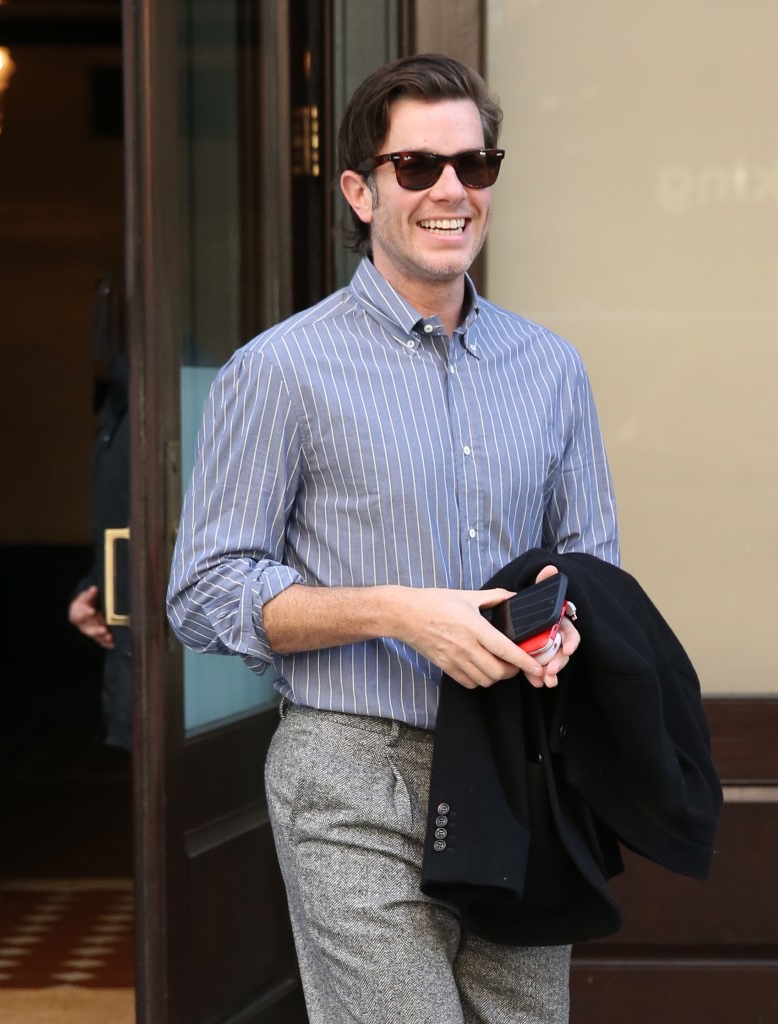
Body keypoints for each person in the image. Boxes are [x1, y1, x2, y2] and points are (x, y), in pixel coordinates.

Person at [167, 53, 618, 1023]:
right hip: (353, 772)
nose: (451, 189)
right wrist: (399, 613)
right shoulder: (279, 370)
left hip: (516, 763)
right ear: (360, 191)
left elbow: (590, 565)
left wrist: (568, 626)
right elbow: (203, 589)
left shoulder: (550, 370)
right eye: (417, 167)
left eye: (474, 165)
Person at [69, 273, 132, 752]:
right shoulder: (116, 416)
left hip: (175, 642)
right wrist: (91, 589)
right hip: (126, 630)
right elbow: (117, 522)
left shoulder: (160, 409)